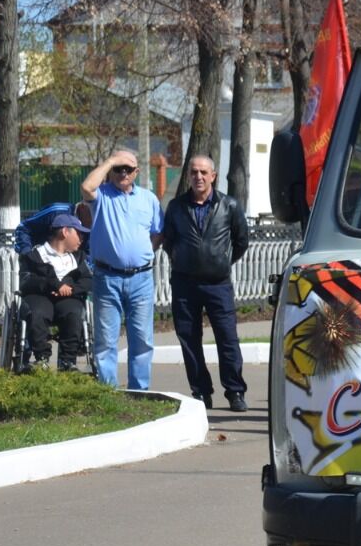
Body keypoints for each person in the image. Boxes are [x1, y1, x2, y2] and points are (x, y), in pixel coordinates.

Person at [161, 155, 250, 411]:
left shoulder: (229, 205)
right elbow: (168, 241)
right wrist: (183, 259)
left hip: (217, 284)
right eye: (193, 172)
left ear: (213, 175)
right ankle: (201, 391)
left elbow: (241, 241)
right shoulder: (177, 207)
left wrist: (221, 261)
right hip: (184, 284)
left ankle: (234, 391)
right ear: (188, 176)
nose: (198, 177)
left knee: (227, 338)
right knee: (189, 338)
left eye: (203, 172)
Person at [81, 149, 164, 389]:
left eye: (128, 169)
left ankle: (140, 392)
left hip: (141, 279)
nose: (123, 173)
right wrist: (110, 161)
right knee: (106, 340)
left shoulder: (148, 199)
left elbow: (158, 232)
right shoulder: (102, 196)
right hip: (107, 278)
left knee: (142, 340)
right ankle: (109, 393)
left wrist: (144, 254)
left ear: (137, 172)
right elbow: (87, 187)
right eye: (119, 169)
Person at [17, 213, 93, 372]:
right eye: (78, 234)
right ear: (65, 232)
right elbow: (26, 282)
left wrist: (70, 289)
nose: (82, 239)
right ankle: (41, 358)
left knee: (73, 312)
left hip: (68, 297)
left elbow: (87, 280)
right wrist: (54, 285)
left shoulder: (78, 258)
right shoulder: (34, 255)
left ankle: (67, 361)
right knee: (37, 313)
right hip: (40, 296)